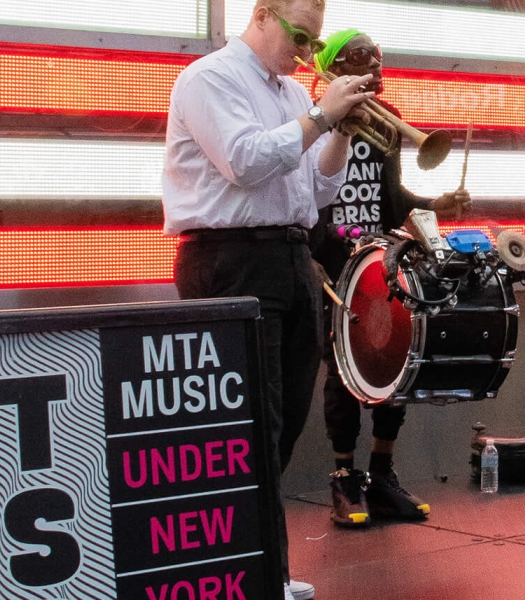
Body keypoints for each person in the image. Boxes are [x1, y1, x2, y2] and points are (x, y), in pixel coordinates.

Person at [162, 1, 373, 597]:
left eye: (314, 41)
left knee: (282, 422)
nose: (308, 53)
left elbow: (319, 188)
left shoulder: (287, 95)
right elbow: (246, 162)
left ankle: (251, 565)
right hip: (229, 258)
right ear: (261, 14)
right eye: (300, 37)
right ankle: (254, 572)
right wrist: (322, 116)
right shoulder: (210, 78)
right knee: (252, 421)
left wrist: (340, 133)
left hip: (289, 256)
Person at [307, 30, 472, 528]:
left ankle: (381, 474)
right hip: (330, 261)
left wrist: (435, 205)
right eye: (361, 66)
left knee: (394, 365)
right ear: (334, 71)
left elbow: (390, 199)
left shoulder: (389, 122)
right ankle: (344, 478)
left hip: (379, 261)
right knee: (342, 371)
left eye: (376, 68)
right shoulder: (309, 119)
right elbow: (300, 191)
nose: (372, 77)